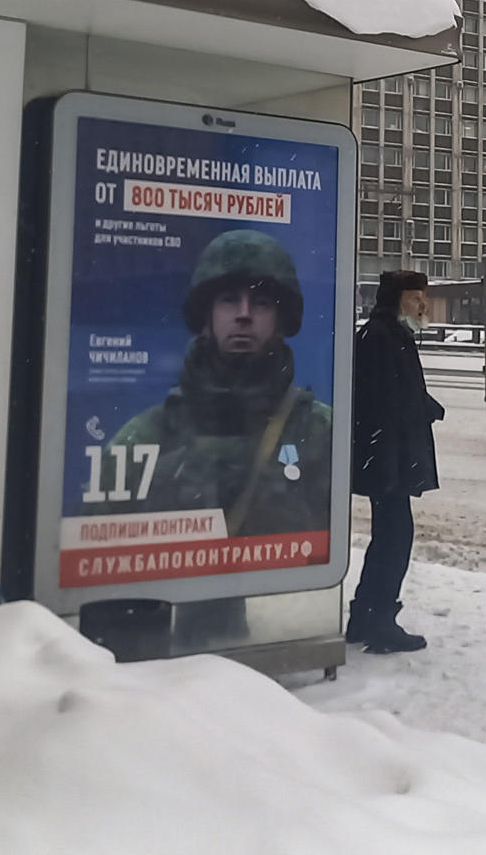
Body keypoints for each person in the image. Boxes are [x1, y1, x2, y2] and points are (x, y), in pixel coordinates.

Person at [99, 230, 333, 539]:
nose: (244, 315)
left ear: (281, 320)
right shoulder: (146, 437)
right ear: (206, 317)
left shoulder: (320, 432)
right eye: (229, 300)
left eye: (261, 303)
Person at [347, 269, 443, 654]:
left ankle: (365, 617)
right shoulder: (382, 338)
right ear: (395, 299)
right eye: (415, 298)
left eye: (423, 297)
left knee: (389, 537)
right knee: (395, 539)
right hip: (387, 458)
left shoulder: (388, 335)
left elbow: (398, 394)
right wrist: (419, 410)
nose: (423, 305)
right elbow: (381, 404)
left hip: (387, 457)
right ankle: (379, 622)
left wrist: (426, 406)